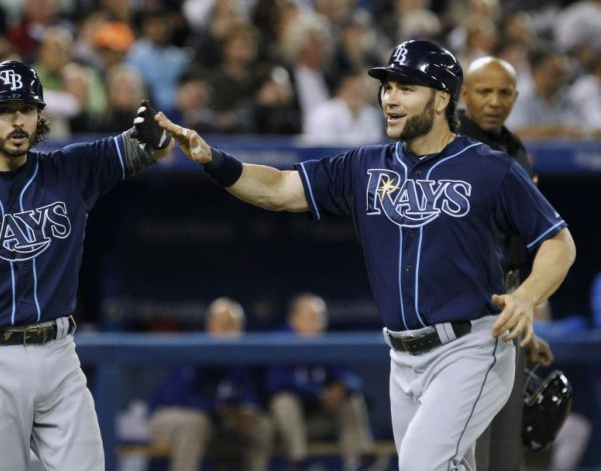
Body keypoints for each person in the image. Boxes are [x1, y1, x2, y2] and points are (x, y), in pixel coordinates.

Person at [155, 39, 577, 470]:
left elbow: (558, 241)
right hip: (402, 356)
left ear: (441, 99)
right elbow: (280, 189)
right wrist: (213, 160)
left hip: (470, 347)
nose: (390, 98)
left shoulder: (491, 167)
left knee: (421, 464)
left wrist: (527, 297)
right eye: (387, 87)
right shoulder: (364, 165)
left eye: (406, 88)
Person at [0, 59, 174, 470]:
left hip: (59, 354)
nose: (17, 120)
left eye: (26, 108)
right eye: (4, 110)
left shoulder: (70, 168)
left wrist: (158, 138)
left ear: (40, 115)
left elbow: (147, 147)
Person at [459, 55, 557, 471]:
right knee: (468, 448)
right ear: (463, 95)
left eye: (504, 92)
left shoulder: (515, 148)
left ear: (516, 97)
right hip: (463, 305)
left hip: (509, 304)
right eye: (484, 91)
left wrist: (526, 326)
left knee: (503, 450)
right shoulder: (447, 145)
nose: (494, 101)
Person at [147, 297, 274, 471]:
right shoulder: (196, 348)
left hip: (217, 424)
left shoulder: (243, 357)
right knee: (195, 423)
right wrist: (217, 409)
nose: (228, 331)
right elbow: (182, 398)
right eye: (223, 324)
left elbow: (252, 394)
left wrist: (246, 411)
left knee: (261, 425)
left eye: (233, 325)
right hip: (168, 417)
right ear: (210, 324)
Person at [266, 293, 378, 471]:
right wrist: (318, 393)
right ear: (294, 319)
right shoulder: (280, 341)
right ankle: (298, 462)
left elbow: (351, 377)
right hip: (287, 426)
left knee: (350, 399)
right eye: (311, 318)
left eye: (320, 318)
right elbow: (276, 383)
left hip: (322, 418)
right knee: (283, 401)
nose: (317, 323)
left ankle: (360, 461)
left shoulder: (326, 342)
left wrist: (341, 386)